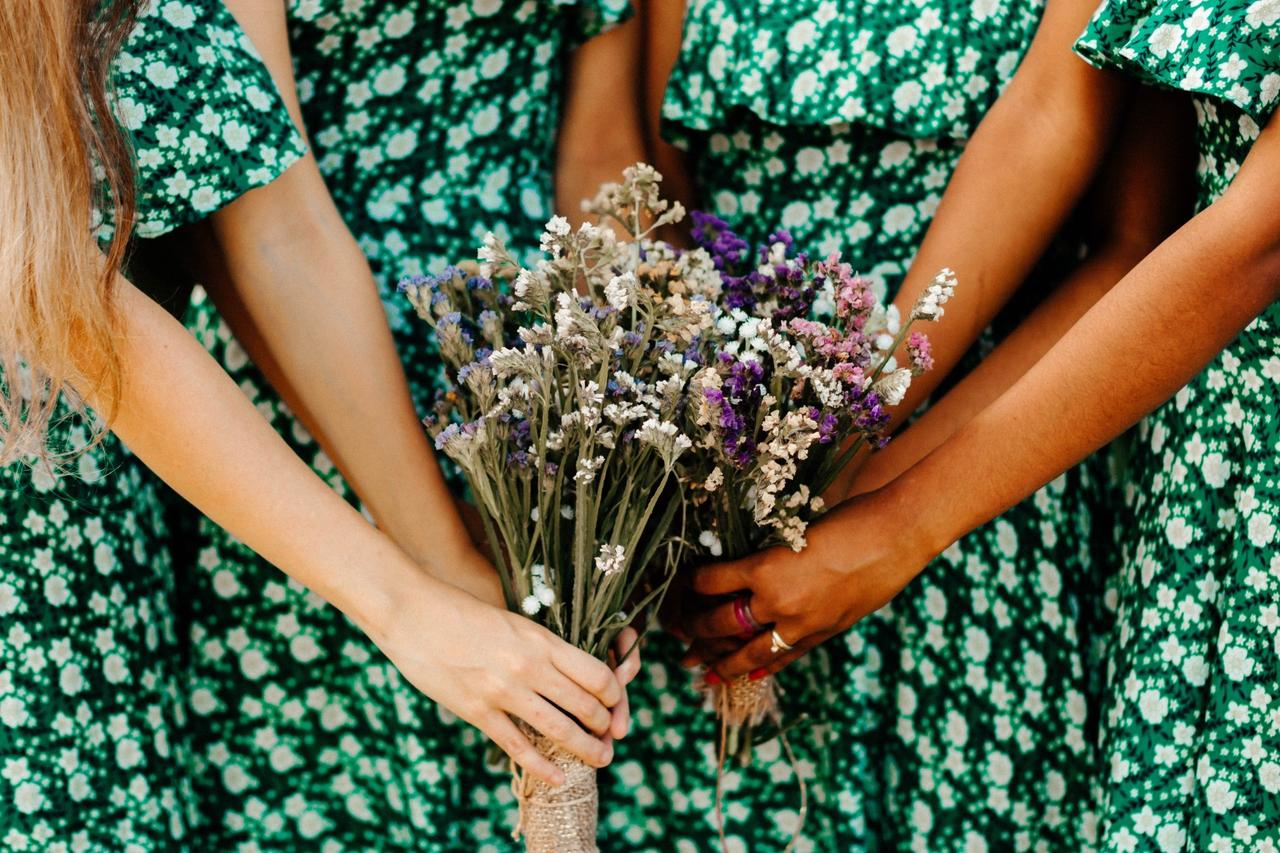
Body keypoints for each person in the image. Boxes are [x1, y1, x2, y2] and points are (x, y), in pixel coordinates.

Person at [0, 0, 634, 846]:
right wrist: (410, 602)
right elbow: (62, 285)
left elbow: (275, 222)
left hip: (95, 477)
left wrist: (448, 555)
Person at [690, 0, 1280, 846]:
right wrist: (832, 459)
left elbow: (1256, 231)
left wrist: (902, 516)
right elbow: (1046, 108)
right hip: (1196, 447)